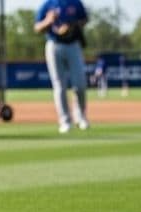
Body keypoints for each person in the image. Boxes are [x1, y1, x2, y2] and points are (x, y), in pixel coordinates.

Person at [34, 0, 89, 133]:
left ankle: (80, 116)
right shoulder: (47, 5)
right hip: (54, 44)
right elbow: (37, 28)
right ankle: (65, 121)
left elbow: (84, 19)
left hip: (73, 44)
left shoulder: (75, 2)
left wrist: (71, 25)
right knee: (59, 86)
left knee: (80, 84)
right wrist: (48, 21)